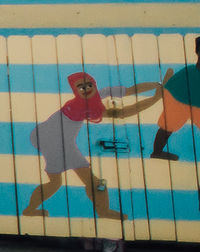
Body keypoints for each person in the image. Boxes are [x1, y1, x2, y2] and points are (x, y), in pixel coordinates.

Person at [21, 71, 154, 221]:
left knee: (65, 182)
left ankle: (30, 209)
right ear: (75, 90)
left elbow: (130, 90)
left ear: (94, 84)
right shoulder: (81, 106)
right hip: (52, 140)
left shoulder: (98, 95)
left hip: (53, 137)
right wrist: (155, 99)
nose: (87, 88)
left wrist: (157, 86)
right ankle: (103, 211)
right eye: (81, 87)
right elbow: (122, 112)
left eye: (89, 84)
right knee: (71, 182)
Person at [146, 36, 200, 162]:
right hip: (177, 98)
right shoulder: (190, 72)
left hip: (192, 101)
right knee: (168, 126)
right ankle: (157, 152)